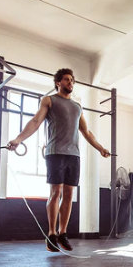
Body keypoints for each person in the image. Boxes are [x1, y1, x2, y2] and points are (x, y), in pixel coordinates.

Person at [8, 68, 110, 252]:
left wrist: (101, 148)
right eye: (66, 80)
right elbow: (35, 122)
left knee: (69, 195)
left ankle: (63, 233)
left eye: (72, 80)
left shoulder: (77, 106)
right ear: (58, 82)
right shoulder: (49, 100)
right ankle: (52, 233)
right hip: (55, 153)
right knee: (56, 193)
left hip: (74, 155)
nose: (70, 82)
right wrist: (18, 139)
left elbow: (86, 132)